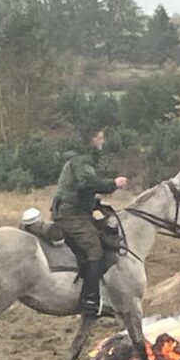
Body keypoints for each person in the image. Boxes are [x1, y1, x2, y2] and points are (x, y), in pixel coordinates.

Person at [50, 129, 128, 316]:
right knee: (95, 249)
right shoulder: (81, 160)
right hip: (71, 214)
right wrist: (113, 183)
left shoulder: (83, 160)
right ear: (92, 139)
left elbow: (82, 191)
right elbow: (86, 183)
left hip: (77, 211)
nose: (103, 141)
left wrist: (97, 205)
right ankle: (89, 300)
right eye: (100, 137)